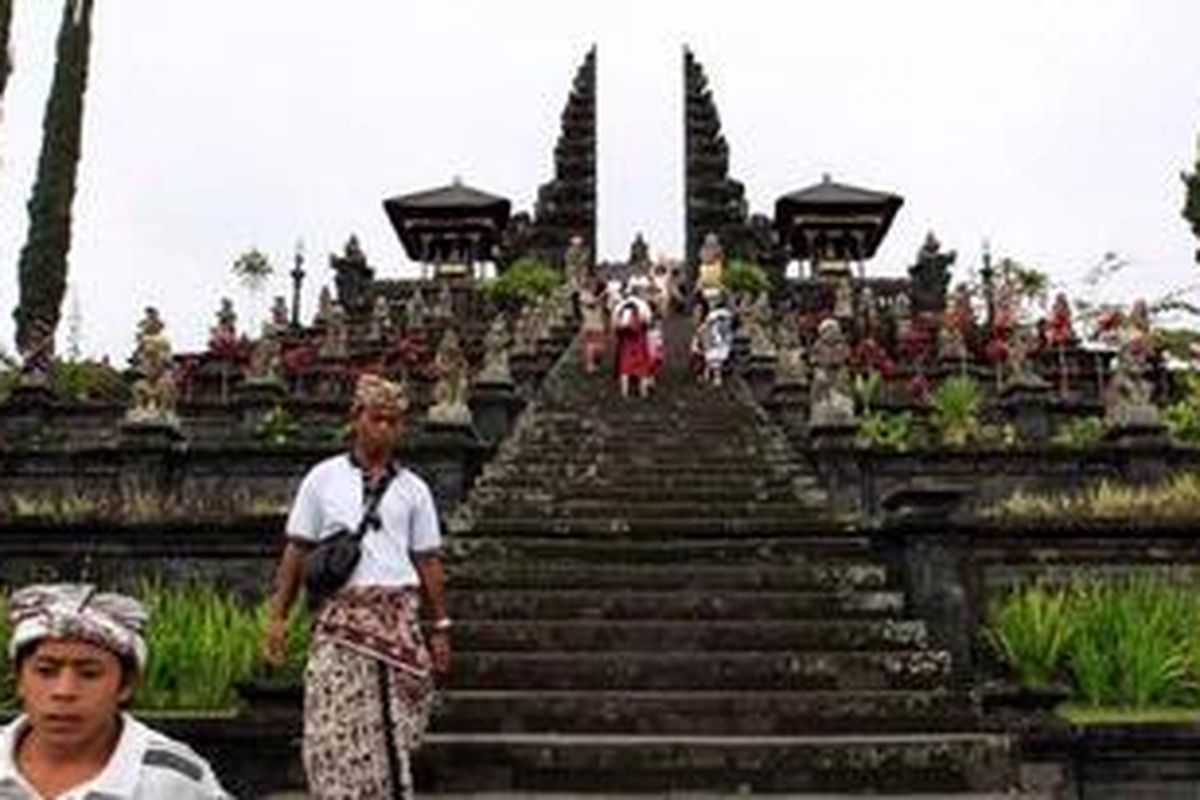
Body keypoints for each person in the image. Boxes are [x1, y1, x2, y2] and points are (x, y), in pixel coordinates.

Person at [262, 373, 450, 799]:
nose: (385, 429)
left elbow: (428, 560)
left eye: (394, 421)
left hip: (398, 616)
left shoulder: (414, 489)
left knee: (402, 719)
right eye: (377, 418)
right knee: (333, 727)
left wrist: (441, 625)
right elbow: (297, 549)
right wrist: (278, 618)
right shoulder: (323, 479)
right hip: (340, 619)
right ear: (356, 418)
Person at [0, 583, 230, 799]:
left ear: (126, 685)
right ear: (19, 680)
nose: (64, 691)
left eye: (89, 674)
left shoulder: (173, 779)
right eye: (46, 671)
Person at [612, 284, 654, 399]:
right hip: (639, 338)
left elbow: (615, 323)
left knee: (624, 367)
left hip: (625, 340)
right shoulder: (643, 304)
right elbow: (648, 321)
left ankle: (624, 392)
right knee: (643, 365)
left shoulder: (620, 305)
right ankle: (643, 392)